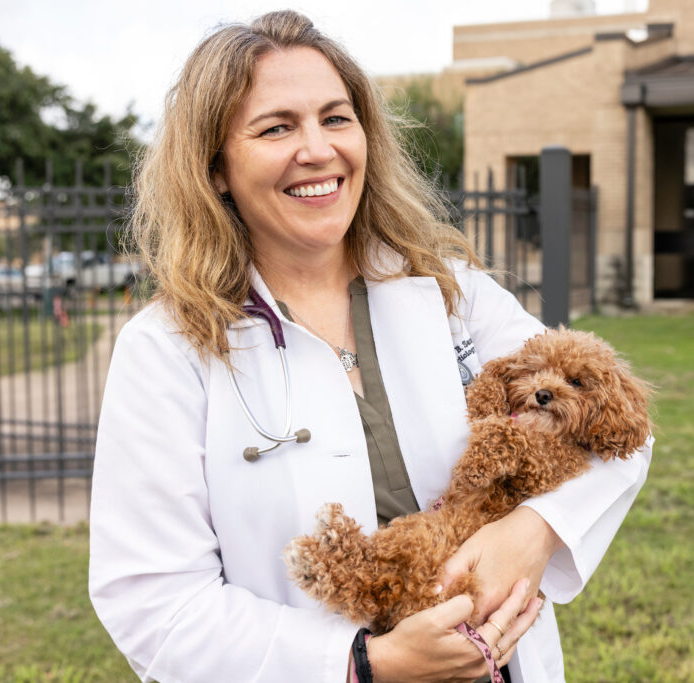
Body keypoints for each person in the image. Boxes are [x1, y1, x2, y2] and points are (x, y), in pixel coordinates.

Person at [88, 10, 651, 683]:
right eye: (276, 127)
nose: (318, 149)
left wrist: (532, 532)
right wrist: (362, 662)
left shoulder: (449, 292)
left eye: (335, 117)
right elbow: (154, 603)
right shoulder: (166, 350)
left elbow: (620, 430)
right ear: (215, 168)